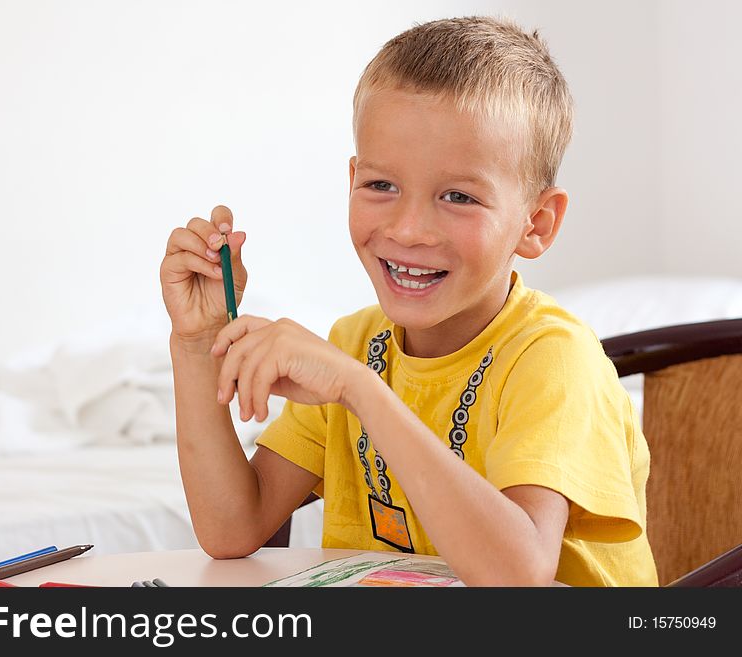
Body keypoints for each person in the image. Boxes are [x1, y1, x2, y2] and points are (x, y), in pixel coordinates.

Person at [159, 16, 658, 587]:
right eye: (381, 186)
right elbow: (232, 529)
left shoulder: (553, 359)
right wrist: (196, 346)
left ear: (536, 223)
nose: (410, 229)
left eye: (458, 196)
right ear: (352, 181)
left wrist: (359, 390)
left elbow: (518, 576)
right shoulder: (356, 343)